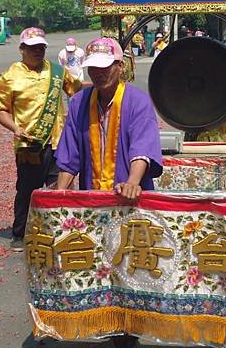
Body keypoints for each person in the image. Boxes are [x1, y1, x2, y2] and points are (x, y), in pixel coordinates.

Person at [55, 37, 162, 348]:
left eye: (105, 68)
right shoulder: (78, 102)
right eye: (93, 69)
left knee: (129, 271)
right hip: (94, 202)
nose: (98, 74)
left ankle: (128, 334)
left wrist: (133, 181)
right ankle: (111, 327)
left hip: (129, 202)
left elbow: (142, 146)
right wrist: (60, 195)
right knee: (101, 269)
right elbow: (70, 154)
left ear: (119, 66)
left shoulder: (137, 101)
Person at [0, 27, 82, 252]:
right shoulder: (10, 76)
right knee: (27, 189)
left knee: (61, 186)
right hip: (29, 145)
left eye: (41, 47)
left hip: (58, 141)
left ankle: (59, 230)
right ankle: (20, 233)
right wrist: (14, 127)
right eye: (32, 48)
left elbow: (77, 91)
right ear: (22, 49)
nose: (38, 51)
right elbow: (0, 110)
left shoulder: (57, 72)